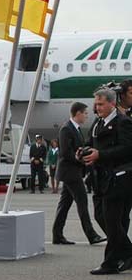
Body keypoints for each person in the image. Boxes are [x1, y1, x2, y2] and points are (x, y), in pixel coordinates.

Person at [83, 89, 132, 275]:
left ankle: (111, 262)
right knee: (103, 217)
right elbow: (91, 143)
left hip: (120, 178)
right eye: (96, 104)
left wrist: (100, 154)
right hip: (100, 178)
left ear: (112, 103)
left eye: (101, 104)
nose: (97, 107)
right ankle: (126, 253)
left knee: (113, 220)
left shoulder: (123, 122)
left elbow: (128, 148)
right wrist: (84, 151)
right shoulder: (98, 122)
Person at [52, 102, 105, 246]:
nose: (87, 116)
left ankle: (57, 235)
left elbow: (76, 149)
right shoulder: (66, 129)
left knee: (64, 205)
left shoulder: (76, 129)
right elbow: (65, 152)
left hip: (73, 172)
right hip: (70, 173)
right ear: (78, 113)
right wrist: (81, 159)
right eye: (85, 113)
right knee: (82, 202)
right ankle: (91, 235)